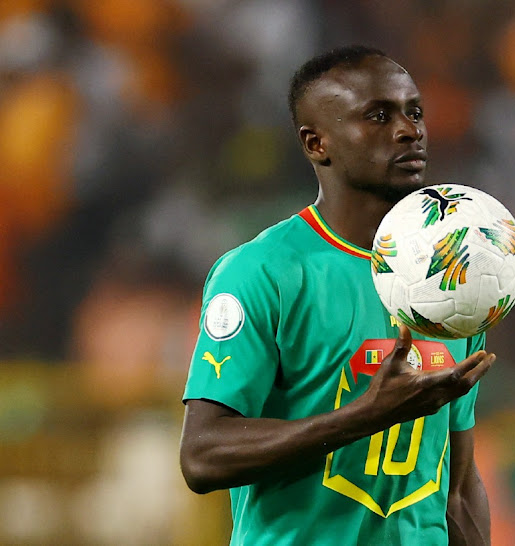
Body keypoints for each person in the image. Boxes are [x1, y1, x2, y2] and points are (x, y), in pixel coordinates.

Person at [179, 45, 496, 546]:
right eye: (378, 116)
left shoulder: (455, 280)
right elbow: (202, 455)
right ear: (316, 143)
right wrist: (364, 416)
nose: (409, 130)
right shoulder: (263, 272)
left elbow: (455, 489)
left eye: (414, 112)